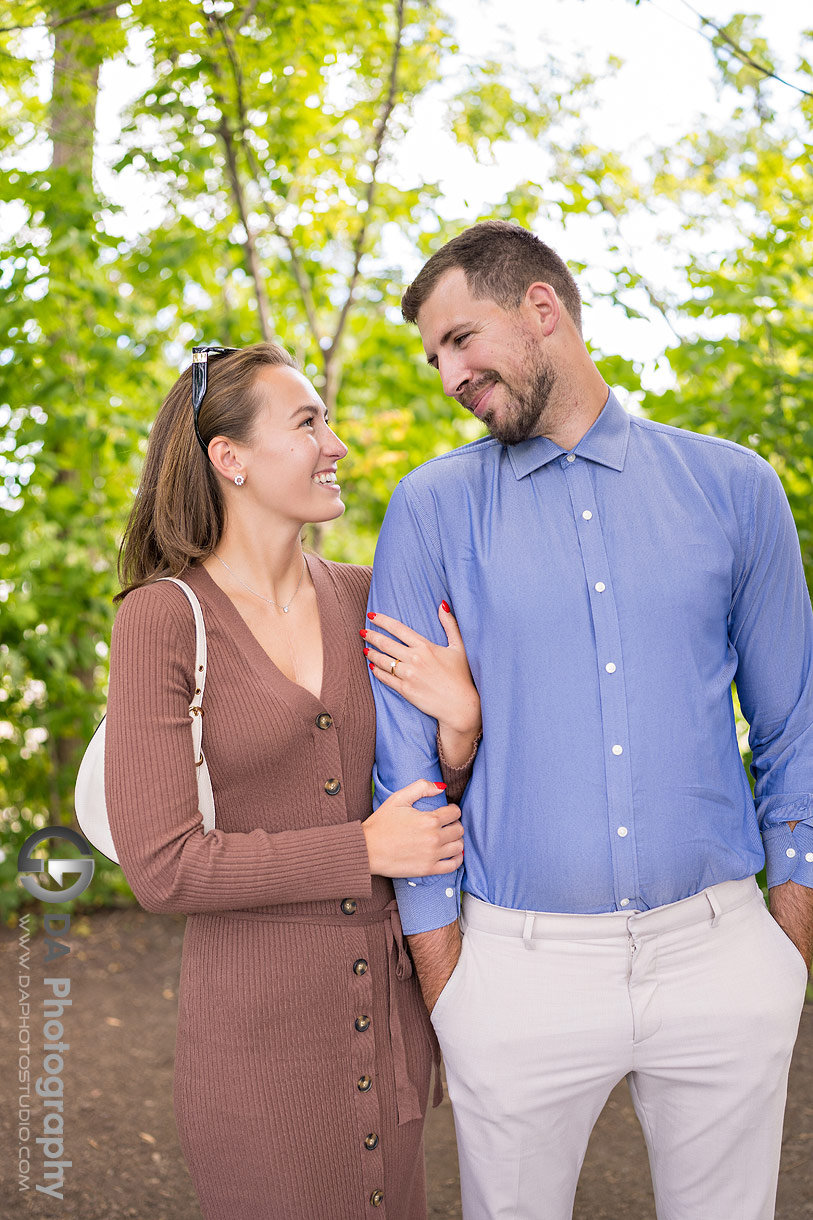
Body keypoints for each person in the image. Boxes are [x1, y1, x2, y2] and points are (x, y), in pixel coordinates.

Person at [366, 220, 813, 1220]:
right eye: (435, 354)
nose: (449, 374)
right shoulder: (430, 510)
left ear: (541, 310)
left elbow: (797, 727)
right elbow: (404, 765)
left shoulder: (734, 488)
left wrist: (788, 937)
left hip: (721, 952)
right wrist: (450, 981)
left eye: (460, 338)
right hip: (517, 969)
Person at [103, 341, 482, 1220]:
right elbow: (161, 869)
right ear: (227, 458)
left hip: (388, 1032)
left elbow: (427, 817)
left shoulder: (366, 596)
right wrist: (359, 849)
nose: (336, 444)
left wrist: (459, 733)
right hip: (256, 1049)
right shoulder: (164, 619)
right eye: (307, 422)